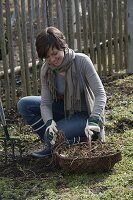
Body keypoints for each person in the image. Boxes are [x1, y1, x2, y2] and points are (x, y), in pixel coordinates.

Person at [17, 27, 107, 158]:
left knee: (55, 137)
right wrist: (49, 123)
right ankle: (54, 143)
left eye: (54, 53)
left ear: (62, 46)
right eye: (47, 56)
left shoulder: (81, 61)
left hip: (86, 114)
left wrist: (94, 119)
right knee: (24, 104)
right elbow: (46, 103)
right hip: (64, 111)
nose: (52, 59)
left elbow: (100, 94)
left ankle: (81, 139)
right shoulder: (46, 70)